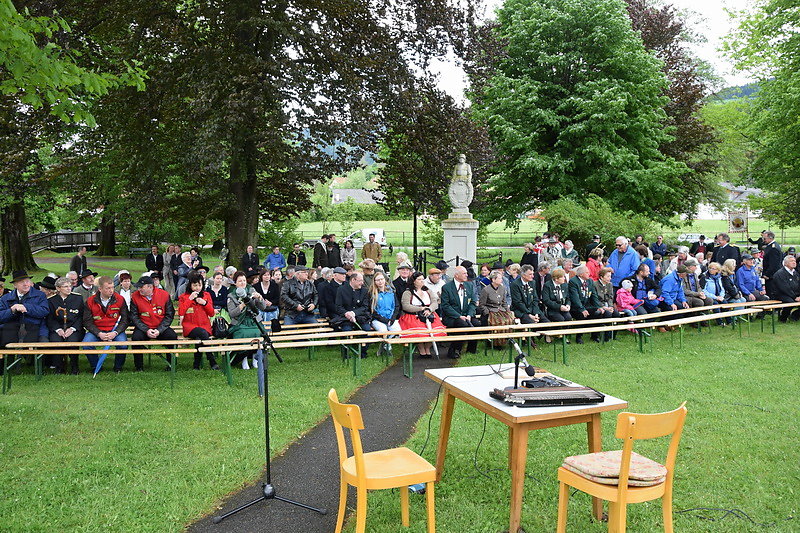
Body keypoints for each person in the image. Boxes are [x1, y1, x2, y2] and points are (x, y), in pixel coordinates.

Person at [0, 271, 49, 373]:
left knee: (43, 340)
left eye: (27, 281)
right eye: (22, 282)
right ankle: (5, 368)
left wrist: (26, 307)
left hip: (35, 327)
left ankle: (38, 368)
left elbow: (44, 311)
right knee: (4, 338)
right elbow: (1, 316)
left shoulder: (40, 295)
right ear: (14, 285)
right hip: (11, 328)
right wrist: (12, 310)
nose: (26, 284)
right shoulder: (5, 298)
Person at [129, 275, 178, 370]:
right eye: (138, 287)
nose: (139, 289)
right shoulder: (135, 296)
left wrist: (159, 330)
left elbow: (169, 315)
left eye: (141, 287)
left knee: (172, 336)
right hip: (143, 328)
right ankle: (139, 367)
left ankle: (172, 364)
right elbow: (134, 316)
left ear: (150, 287)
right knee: (136, 338)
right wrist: (146, 330)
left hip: (160, 327)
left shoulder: (164, 295)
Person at [82, 276, 128, 372]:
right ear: (100, 289)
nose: (111, 291)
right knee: (86, 345)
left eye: (112, 288)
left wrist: (115, 332)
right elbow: (87, 321)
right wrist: (99, 333)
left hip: (114, 330)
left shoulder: (119, 299)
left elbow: (125, 319)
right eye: (108, 288)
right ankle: (96, 366)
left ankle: (118, 367)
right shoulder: (90, 301)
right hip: (97, 330)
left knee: (123, 345)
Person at [399, 271, 446, 357]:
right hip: (413, 315)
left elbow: (434, 302)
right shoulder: (408, 292)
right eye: (419, 279)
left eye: (422, 279)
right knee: (419, 331)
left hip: (429, 314)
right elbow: (405, 306)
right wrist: (420, 309)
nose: (422, 281)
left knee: (436, 330)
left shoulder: (427, 291)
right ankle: (421, 348)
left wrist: (429, 309)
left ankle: (427, 347)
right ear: (414, 281)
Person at [178, 273, 219, 370]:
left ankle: (196, 364)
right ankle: (211, 359)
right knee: (201, 333)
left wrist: (204, 303)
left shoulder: (206, 295)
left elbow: (212, 313)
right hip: (190, 327)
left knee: (200, 337)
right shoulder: (184, 297)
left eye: (199, 285)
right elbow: (181, 312)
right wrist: (189, 299)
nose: (197, 288)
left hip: (204, 326)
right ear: (190, 285)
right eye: (195, 285)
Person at [227, 271, 267, 368]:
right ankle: (243, 358)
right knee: (243, 334)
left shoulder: (251, 291)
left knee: (259, 332)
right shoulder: (231, 295)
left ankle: (255, 358)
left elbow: (263, 307)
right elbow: (232, 313)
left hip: (253, 320)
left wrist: (260, 298)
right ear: (235, 283)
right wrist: (242, 305)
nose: (242, 283)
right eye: (240, 281)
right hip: (240, 322)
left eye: (244, 280)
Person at [439, 265, 479, 358]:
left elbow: (473, 302)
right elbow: (445, 306)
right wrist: (458, 316)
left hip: (466, 315)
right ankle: (455, 350)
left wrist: (469, 314)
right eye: (464, 273)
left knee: (476, 324)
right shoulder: (447, 287)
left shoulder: (469, 285)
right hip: (452, 317)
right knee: (462, 324)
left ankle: (471, 350)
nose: (466, 275)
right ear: (456, 275)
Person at [47, 277, 84, 374]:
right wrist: (58, 329)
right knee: (56, 341)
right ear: (58, 288)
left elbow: (81, 316)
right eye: (65, 286)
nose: (69, 288)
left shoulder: (78, 298)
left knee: (73, 341)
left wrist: (72, 328)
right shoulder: (51, 300)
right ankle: (59, 366)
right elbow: (50, 318)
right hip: (58, 328)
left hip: (73, 328)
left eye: (70, 286)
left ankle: (74, 366)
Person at [332, 272, 372, 357]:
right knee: (346, 331)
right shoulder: (341, 290)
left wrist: (354, 313)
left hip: (360, 318)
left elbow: (365, 307)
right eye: (360, 281)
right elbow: (338, 307)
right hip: (345, 319)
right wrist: (346, 313)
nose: (362, 283)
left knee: (367, 331)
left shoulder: (364, 291)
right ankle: (345, 354)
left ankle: (363, 353)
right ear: (353, 280)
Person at [568, 265, 606, 343]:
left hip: (587, 305)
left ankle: (594, 335)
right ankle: (579, 337)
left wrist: (598, 306)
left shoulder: (590, 281)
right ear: (581, 274)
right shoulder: (573, 281)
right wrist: (582, 309)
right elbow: (575, 298)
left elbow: (594, 295)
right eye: (587, 272)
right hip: (576, 307)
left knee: (598, 312)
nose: (589, 274)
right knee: (582, 315)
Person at [478, 270, 514, 335]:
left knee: (509, 320)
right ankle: (494, 341)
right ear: (493, 279)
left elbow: (504, 302)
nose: (501, 280)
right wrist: (488, 313)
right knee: (498, 322)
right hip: (490, 311)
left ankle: (506, 339)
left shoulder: (502, 288)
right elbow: (482, 304)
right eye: (500, 278)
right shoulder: (486, 290)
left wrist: (508, 311)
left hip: (500, 310)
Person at [368, 271, 401, 339]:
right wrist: (384, 320)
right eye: (378, 280)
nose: (380, 281)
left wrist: (392, 319)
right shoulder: (372, 294)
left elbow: (397, 306)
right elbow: (372, 311)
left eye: (382, 279)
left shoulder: (391, 292)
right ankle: (386, 346)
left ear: (384, 280)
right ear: (374, 282)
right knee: (383, 331)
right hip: (378, 319)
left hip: (391, 318)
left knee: (397, 331)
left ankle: (387, 345)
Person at [771, 255, 800, 321]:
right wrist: (795, 297)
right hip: (781, 294)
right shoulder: (780, 274)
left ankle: (795, 315)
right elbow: (784, 288)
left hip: (794, 294)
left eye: (795, 261)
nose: (794, 262)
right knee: (791, 302)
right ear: (786, 263)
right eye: (791, 261)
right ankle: (783, 318)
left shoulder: (795, 273)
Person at [594, 268, 621, 333]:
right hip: (599, 306)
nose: (610, 278)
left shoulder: (610, 284)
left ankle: (613, 335)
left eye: (610, 276)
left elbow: (610, 297)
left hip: (608, 305)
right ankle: (606, 335)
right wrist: (603, 307)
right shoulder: (595, 284)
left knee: (616, 314)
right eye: (608, 276)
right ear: (601, 277)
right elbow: (595, 299)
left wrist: (610, 306)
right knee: (607, 314)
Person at [761, 231, 783, 297]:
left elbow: (773, 264)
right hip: (771, 275)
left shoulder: (773, 248)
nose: (763, 240)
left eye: (764, 238)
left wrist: (767, 274)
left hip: (771, 276)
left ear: (770, 238)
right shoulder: (771, 246)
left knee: (772, 294)